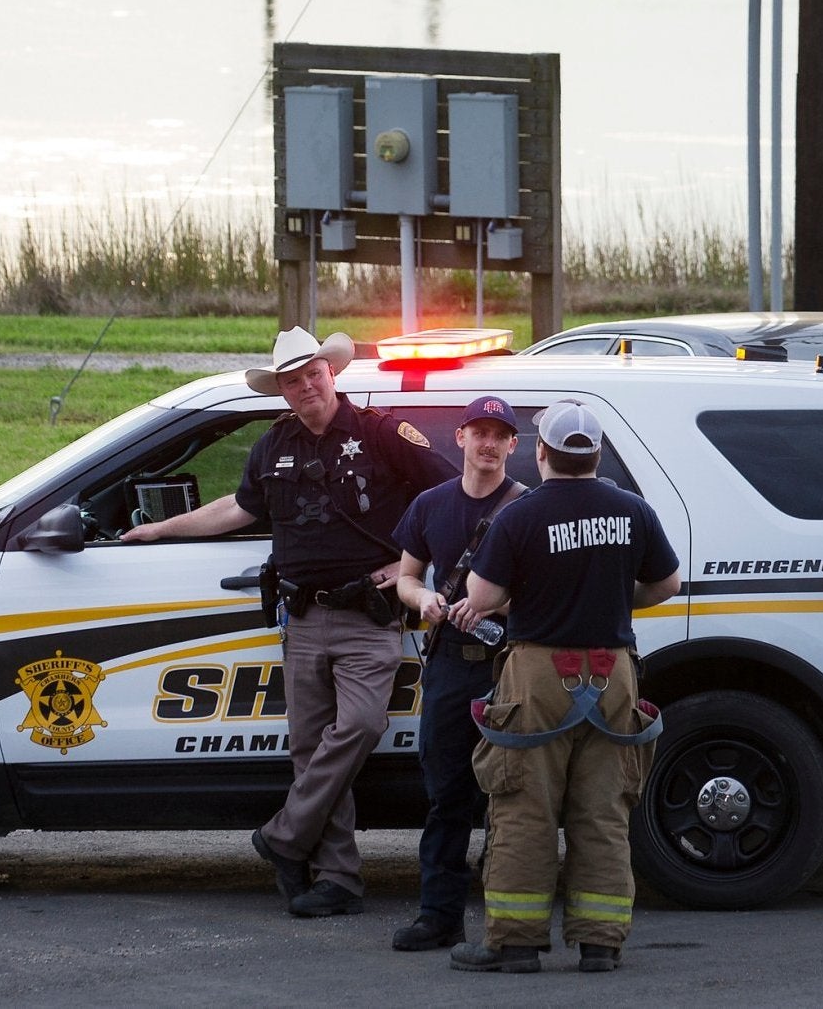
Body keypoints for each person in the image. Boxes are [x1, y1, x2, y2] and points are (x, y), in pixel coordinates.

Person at [122, 327, 453, 917]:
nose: (306, 387)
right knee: (309, 748)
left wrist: (405, 563)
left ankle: (283, 835)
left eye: (313, 375)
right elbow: (239, 508)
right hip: (301, 616)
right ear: (281, 390)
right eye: (292, 381)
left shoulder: (383, 435)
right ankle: (336, 879)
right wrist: (160, 528)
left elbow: (448, 495)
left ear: (333, 373)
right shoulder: (273, 445)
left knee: (358, 726)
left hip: (367, 617)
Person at [450, 401, 680, 975]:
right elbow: (666, 584)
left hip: (537, 677)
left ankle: (516, 945)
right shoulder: (632, 511)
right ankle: (601, 944)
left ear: (541, 452)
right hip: (613, 676)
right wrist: (606, 598)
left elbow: (478, 597)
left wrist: (527, 595)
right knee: (602, 811)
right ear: (597, 455)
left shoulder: (522, 514)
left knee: (525, 809)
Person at [388, 395, 526, 953]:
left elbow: (546, 591)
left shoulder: (527, 509)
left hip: (510, 670)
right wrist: (423, 599)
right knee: (446, 795)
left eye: (501, 435)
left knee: (511, 798)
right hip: (447, 669)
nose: (489, 444)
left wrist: (495, 607)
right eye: (480, 433)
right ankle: (439, 916)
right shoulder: (429, 505)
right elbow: (405, 577)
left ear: (513, 446)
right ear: (461, 438)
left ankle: (508, 922)